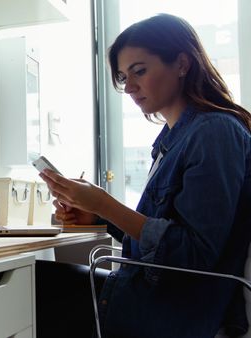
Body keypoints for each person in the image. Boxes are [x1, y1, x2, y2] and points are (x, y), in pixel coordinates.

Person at [36, 13, 251, 338]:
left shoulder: (214, 133)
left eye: (139, 71)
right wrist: (98, 216)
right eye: (123, 77)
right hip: (156, 296)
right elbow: (161, 240)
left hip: (179, 312)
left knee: (30, 286)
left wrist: (106, 205)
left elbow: (191, 256)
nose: (130, 87)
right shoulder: (173, 140)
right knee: (35, 282)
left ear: (181, 64)